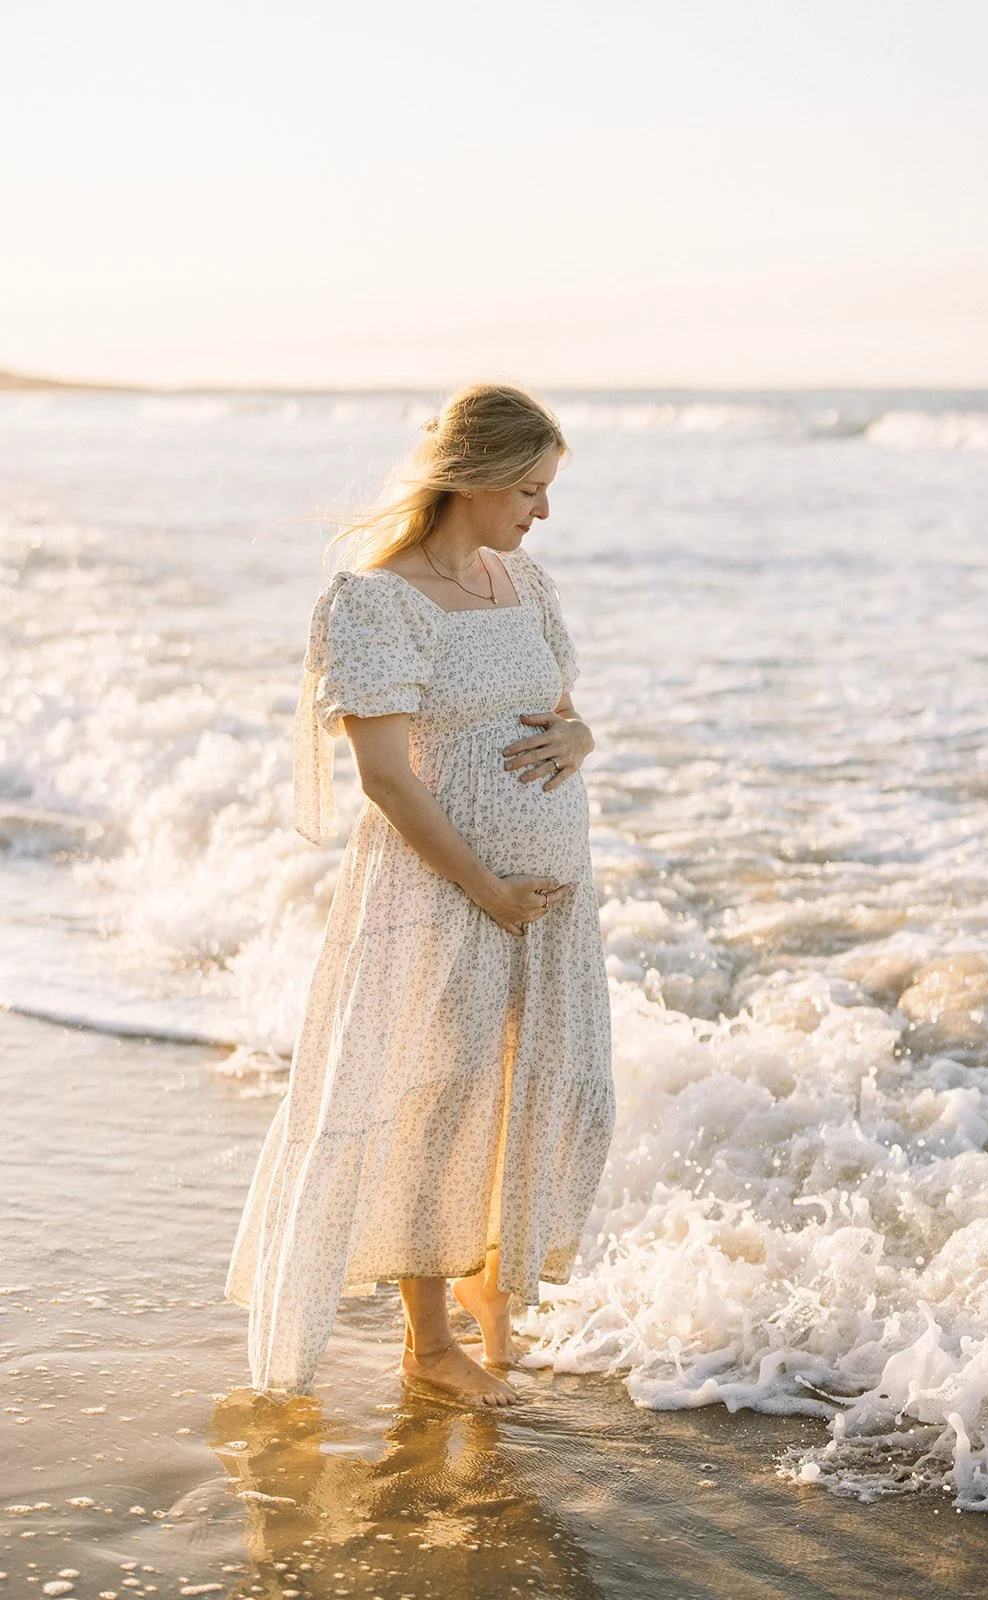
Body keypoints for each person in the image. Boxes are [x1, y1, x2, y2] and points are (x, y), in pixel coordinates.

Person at [225, 381, 615, 1407]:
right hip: (445, 894)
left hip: (551, 903)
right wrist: (485, 886)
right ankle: (426, 1344)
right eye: (529, 489)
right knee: (435, 1102)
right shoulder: (377, 599)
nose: (541, 511)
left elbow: (561, 712)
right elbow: (386, 776)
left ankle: (495, 1287)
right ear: (475, 478)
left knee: (545, 1086)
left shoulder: (521, 584)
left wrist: (580, 736)